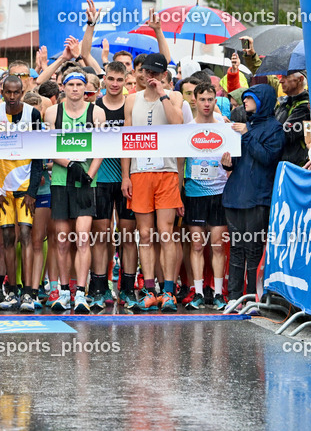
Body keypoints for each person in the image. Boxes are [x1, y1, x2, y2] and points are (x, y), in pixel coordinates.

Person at [121, 53, 184, 312]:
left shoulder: (174, 97)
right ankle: (148, 290)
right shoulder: (131, 100)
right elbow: (126, 140)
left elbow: (177, 122)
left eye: (156, 74)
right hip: (140, 173)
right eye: (147, 73)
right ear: (140, 73)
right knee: (145, 234)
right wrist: (126, 175)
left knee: (166, 232)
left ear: (163, 76)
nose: (151, 77)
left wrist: (162, 94)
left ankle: (168, 291)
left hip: (166, 171)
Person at [44, 71, 105, 314]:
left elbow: (101, 146)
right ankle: (64, 290)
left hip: (87, 182)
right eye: (71, 85)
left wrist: (89, 173)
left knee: (82, 237)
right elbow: (48, 145)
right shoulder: (53, 112)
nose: (76, 89)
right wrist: (68, 164)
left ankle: (81, 291)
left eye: (80, 85)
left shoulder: (96, 112)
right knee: (61, 240)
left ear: (85, 88)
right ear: (63, 87)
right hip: (61, 180)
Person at [220, 84, 284, 307]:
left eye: (250, 98)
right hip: (235, 197)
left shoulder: (275, 128)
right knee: (236, 249)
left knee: (253, 249)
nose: (245, 101)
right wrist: (227, 162)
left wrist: (247, 135)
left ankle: (252, 299)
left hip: (258, 198)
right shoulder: (245, 126)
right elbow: (238, 160)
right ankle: (234, 297)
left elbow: (267, 158)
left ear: (263, 101)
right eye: (245, 98)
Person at [0, 74, 43, 310]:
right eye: (7, 92)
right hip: (2, 188)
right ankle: (11, 291)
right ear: (2, 92)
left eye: (16, 92)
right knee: (7, 239)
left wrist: (32, 191)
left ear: (22, 91)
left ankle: (29, 292)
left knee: (27, 236)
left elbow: (40, 154)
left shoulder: (33, 114)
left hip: (25, 186)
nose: (11, 97)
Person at [183, 83, 230, 310]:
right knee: (197, 245)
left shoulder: (224, 125)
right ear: (195, 99)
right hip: (195, 192)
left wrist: (229, 165)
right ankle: (199, 292)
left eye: (211, 100)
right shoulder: (188, 128)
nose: (207, 104)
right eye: (202, 99)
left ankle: (219, 293)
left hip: (220, 191)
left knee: (218, 245)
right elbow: (180, 161)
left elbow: (235, 152)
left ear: (215, 100)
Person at [94, 61, 136, 308]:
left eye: (120, 80)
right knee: (101, 235)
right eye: (111, 79)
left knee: (128, 235)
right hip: (100, 179)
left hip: (127, 178)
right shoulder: (95, 106)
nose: (115, 84)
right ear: (104, 79)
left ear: (126, 80)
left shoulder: (131, 106)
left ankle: (128, 289)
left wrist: (127, 175)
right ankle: (99, 287)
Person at [275, 69, 311, 167]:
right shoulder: (284, 103)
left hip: (296, 167)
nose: (280, 81)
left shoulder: (305, 106)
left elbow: (284, 134)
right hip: (283, 164)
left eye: (286, 77)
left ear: (300, 79)